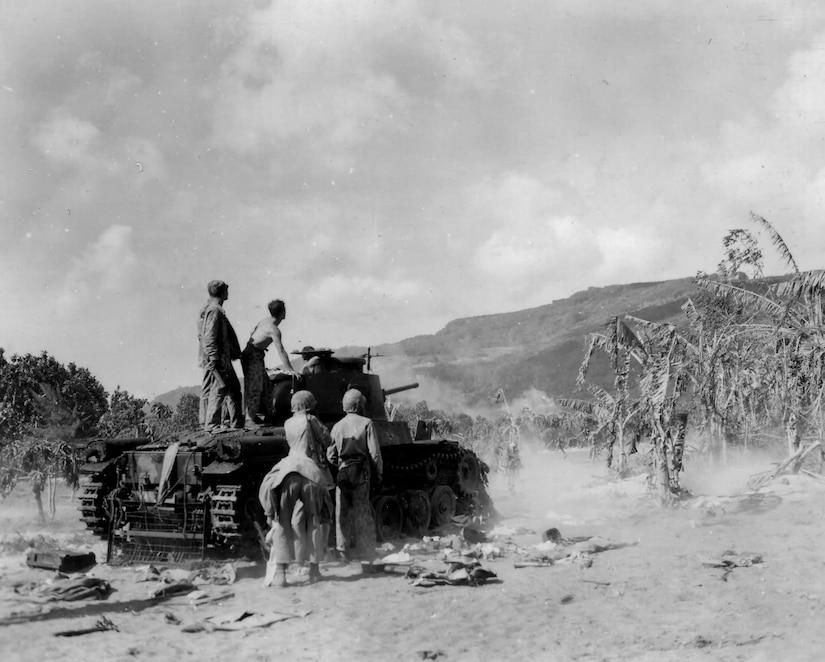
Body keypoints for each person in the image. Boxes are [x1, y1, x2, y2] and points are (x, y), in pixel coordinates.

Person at [258, 391, 334, 587]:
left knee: (282, 521)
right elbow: (328, 441)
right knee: (315, 520)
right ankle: (314, 572)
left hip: (287, 470)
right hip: (310, 471)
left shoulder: (287, 423)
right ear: (309, 405)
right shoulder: (312, 420)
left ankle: (281, 574)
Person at [327, 388, 382, 561]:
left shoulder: (337, 426)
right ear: (359, 405)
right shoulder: (367, 423)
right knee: (362, 511)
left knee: (341, 512)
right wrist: (378, 473)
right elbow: (374, 454)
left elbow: (330, 454)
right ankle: (366, 551)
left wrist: (341, 466)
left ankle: (343, 551)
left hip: (343, 472)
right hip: (361, 473)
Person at [241, 299, 297, 428]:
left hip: (254, 354)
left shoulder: (265, 321)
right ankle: (249, 420)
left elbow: (253, 332)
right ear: (283, 312)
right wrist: (290, 369)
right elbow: (281, 350)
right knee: (255, 387)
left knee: (266, 386)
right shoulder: (274, 330)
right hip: (252, 356)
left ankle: (268, 415)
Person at [197, 280, 243, 432]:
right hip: (219, 359)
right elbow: (209, 337)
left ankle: (235, 424)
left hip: (222, 358)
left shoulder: (211, 310)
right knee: (219, 390)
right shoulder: (215, 311)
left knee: (234, 391)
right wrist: (214, 358)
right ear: (223, 292)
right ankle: (212, 425)